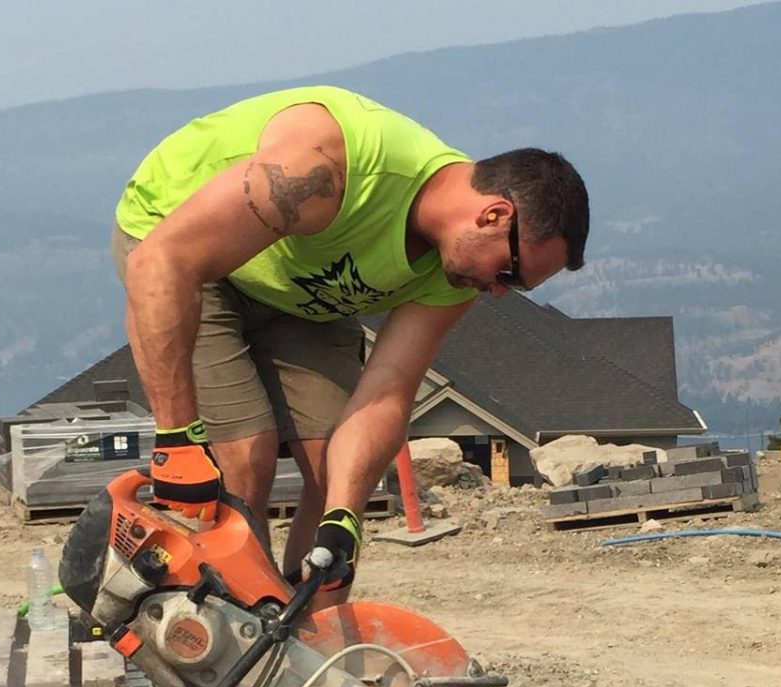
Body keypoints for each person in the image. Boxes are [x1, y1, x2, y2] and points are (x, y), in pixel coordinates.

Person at [111, 84, 590, 602]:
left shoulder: (455, 272)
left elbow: (389, 388)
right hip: (183, 249)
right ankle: (212, 630)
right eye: (508, 274)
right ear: (493, 216)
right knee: (245, 458)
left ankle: (305, 640)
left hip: (294, 284)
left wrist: (343, 520)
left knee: (336, 472)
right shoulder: (325, 169)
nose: (499, 292)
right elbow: (160, 262)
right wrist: (178, 439)